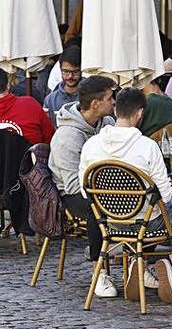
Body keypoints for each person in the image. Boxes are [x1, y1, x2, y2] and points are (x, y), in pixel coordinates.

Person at [79, 88, 172, 303]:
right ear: (139, 114)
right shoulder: (148, 146)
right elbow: (165, 195)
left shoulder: (91, 145)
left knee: (158, 210)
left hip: (109, 224)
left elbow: (84, 190)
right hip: (148, 223)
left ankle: (142, 266)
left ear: (116, 110)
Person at [47, 76, 116, 297]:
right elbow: (73, 185)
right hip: (72, 194)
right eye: (110, 98)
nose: (114, 102)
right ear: (96, 104)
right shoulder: (67, 136)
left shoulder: (107, 124)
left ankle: (138, 265)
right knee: (98, 209)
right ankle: (99, 272)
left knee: (142, 203)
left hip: (105, 187)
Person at [43, 45, 81, 127]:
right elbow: (47, 127)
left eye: (75, 72)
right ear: (60, 69)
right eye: (66, 71)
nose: (70, 76)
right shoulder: (50, 99)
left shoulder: (90, 95)